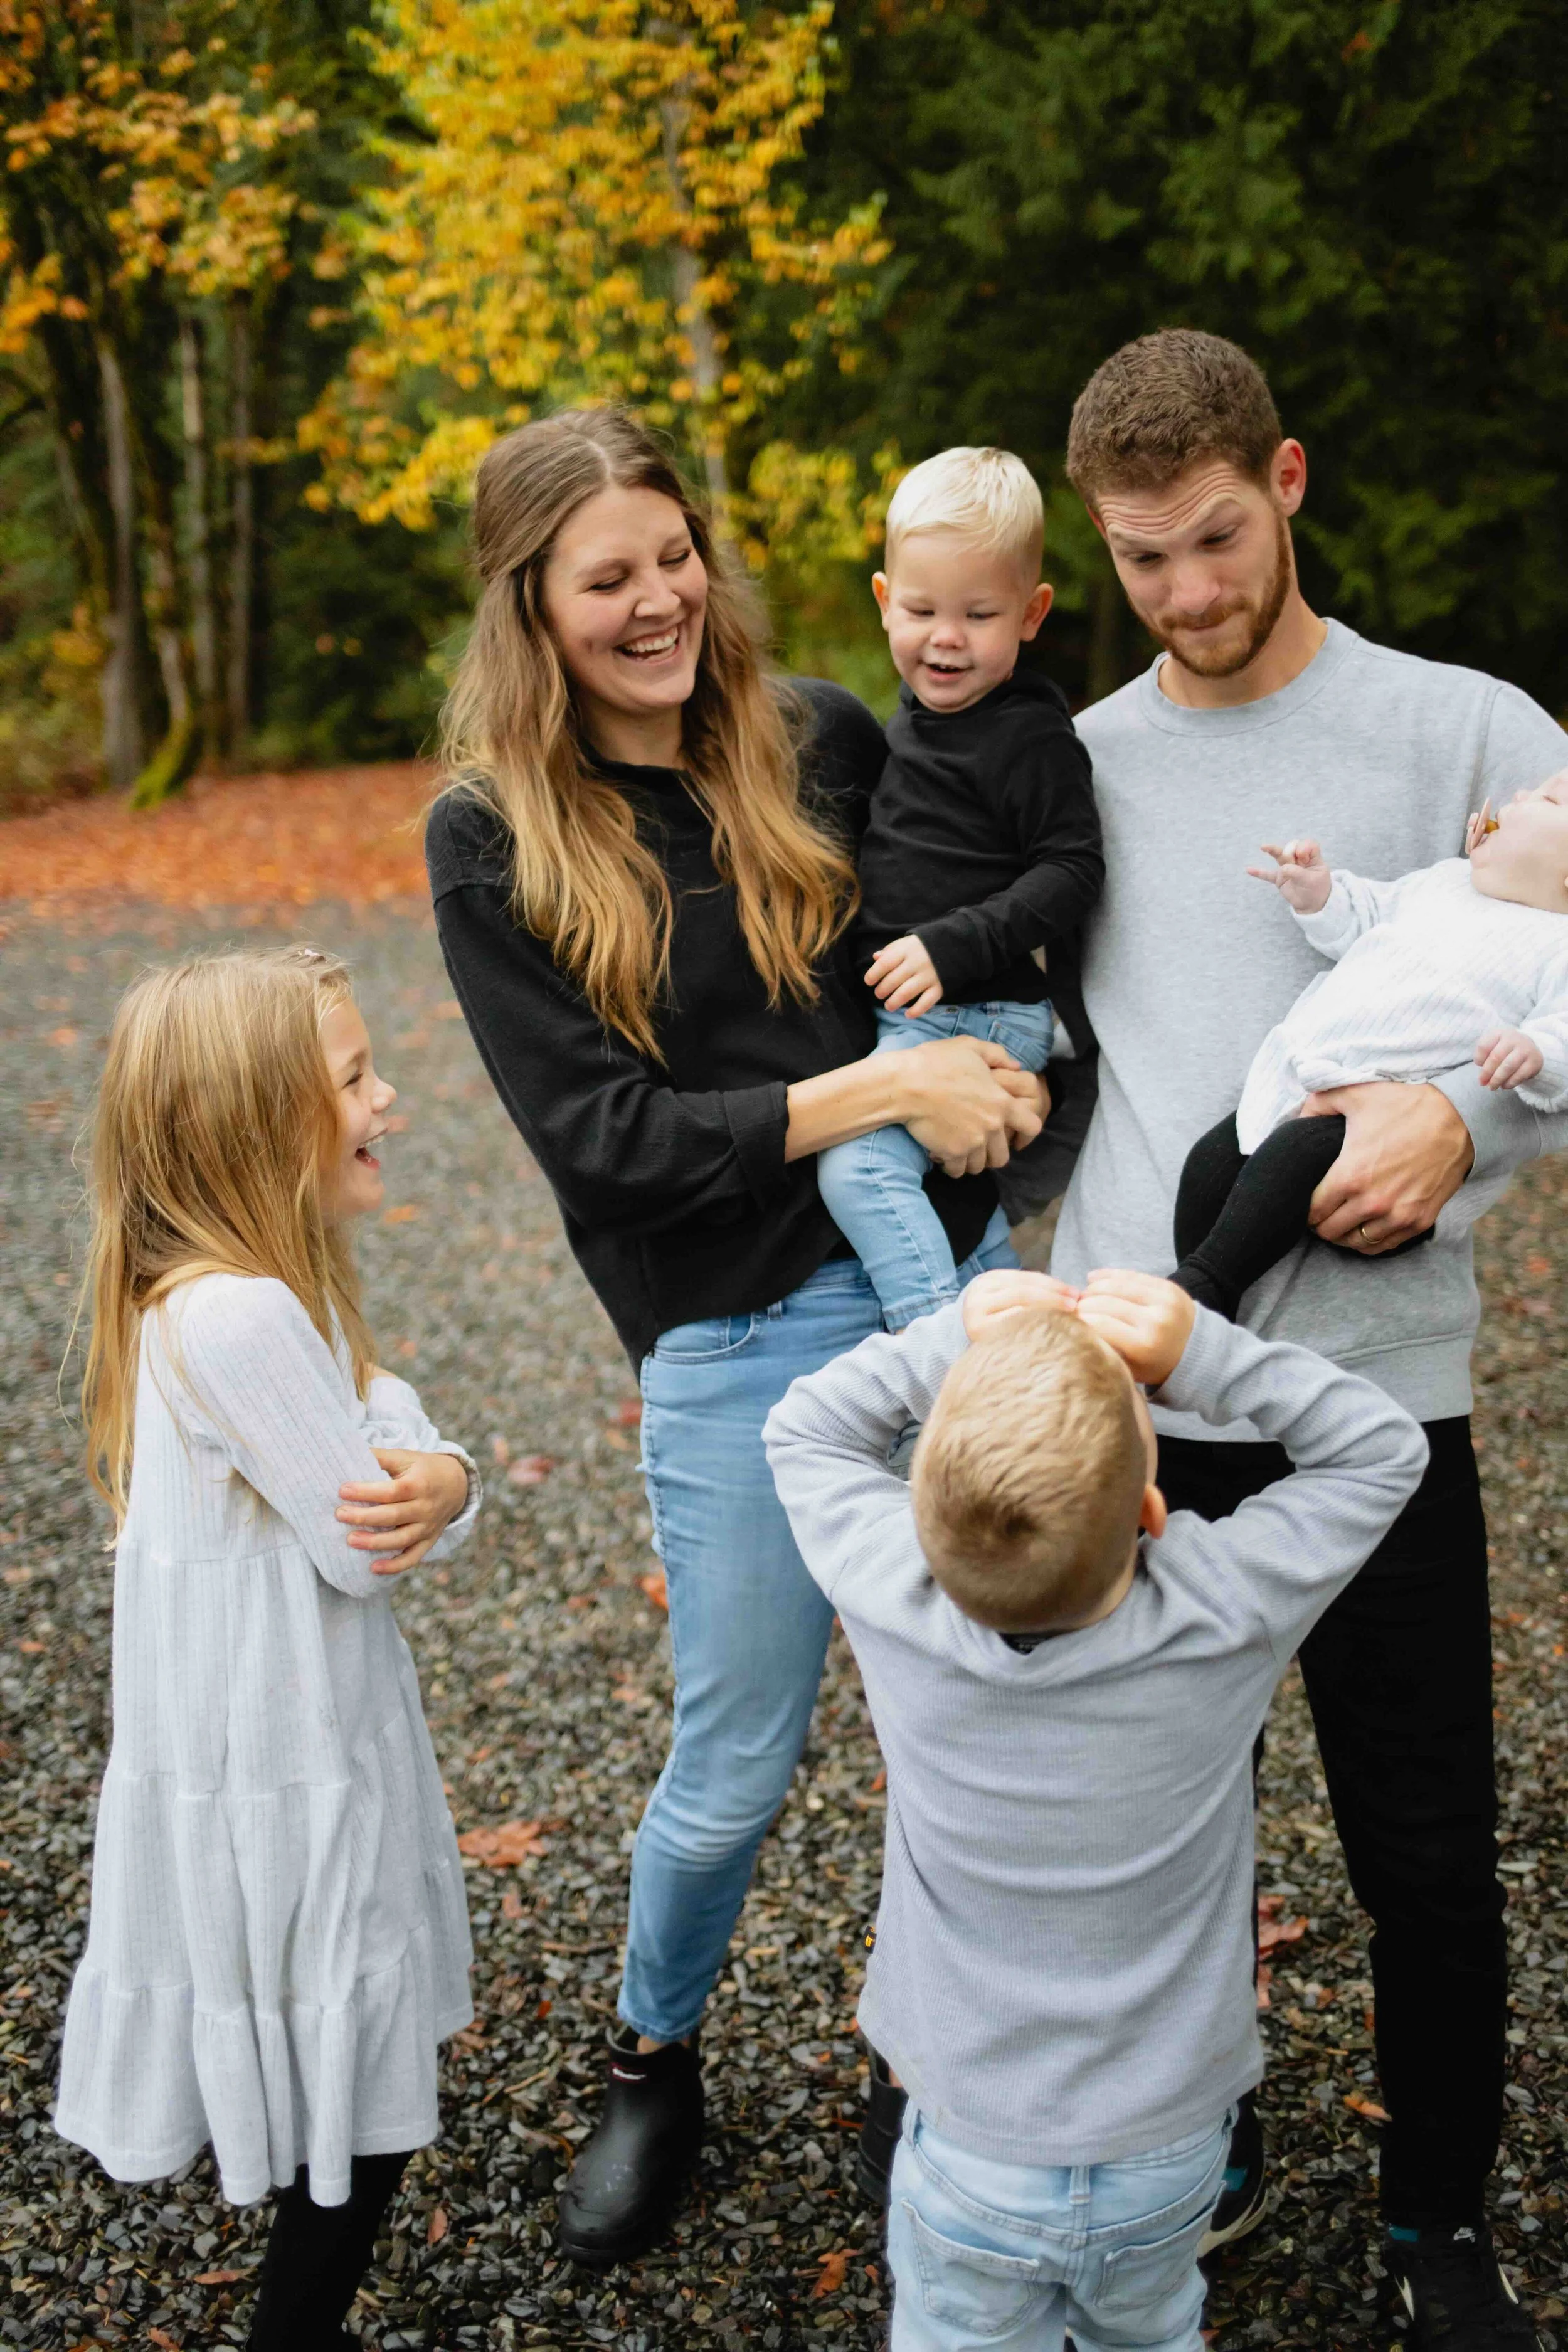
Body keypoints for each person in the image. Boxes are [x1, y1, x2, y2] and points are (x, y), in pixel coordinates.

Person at [423, 406, 1046, 2269]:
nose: (656, 598)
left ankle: (931, 2055)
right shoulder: (490, 840)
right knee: (733, 1761)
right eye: (604, 575)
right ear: (528, 605)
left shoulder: (814, 738)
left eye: (671, 554)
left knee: (982, 1716)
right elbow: (604, 1146)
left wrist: (982, 1083)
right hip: (732, 1338)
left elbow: (979, 910)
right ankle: (651, 2056)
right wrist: (864, 1096)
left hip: (945, 1278)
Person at [1024, 326, 1567, 2348]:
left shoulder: (1467, 734)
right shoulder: (1072, 756)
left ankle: (1436, 2218)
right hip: (1137, 1383)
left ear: (1288, 478)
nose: (1180, 591)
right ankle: (1190, 2131)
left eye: (1213, 537)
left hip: (1375, 1385)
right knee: (1148, 1814)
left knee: (1420, 1834)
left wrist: (1470, 1118)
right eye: (1138, 557)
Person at [763, 1265, 1426, 2352]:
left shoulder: (896, 1591)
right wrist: (1204, 1357)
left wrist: (952, 1339)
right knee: (1154, 2333)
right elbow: (1385, 1447)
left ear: (925, 1516)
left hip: (970, 2146)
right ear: (1155, 1510)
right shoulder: (1223, 1607)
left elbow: (805, 1427)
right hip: (1170, 2150)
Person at [53, 947, 480, 2352]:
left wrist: (411, 1449)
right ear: (255, 1120)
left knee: (346, 2082)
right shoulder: (240, 1314)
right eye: (354, 1077)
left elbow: (358, 1460)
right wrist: (439, 1458)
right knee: (358, 2101)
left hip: (280, 1748)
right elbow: (367, 1535)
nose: (388, 1096)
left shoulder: (210, 1291)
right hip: (288, 1776)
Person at [815, 445, 1103, 1328]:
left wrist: (956, 943)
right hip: (918, 1012)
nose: (946, 636)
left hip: (976, 1006)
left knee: (856, 1167)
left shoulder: (1029, 736)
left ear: (1031, 613)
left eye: (980, 613)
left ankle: (938, 1341)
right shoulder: (911, 717)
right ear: (882, 601)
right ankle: (1001, 1320)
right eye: (921, 608)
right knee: (938, 1191)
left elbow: (1074, 869)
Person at [1172, 789, 1568, 1317]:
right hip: (1311, 1072)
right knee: (1210, 1163)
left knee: (1289, 1161)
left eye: (1547, 799)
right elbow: (1371, 913)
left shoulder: (1558, 945)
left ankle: (1206, 1287)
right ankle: (1188, 1292)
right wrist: (1321, 894)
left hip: (1380, 1115)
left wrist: (1535, 1052)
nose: (1517, 795)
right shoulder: (1446, 881)